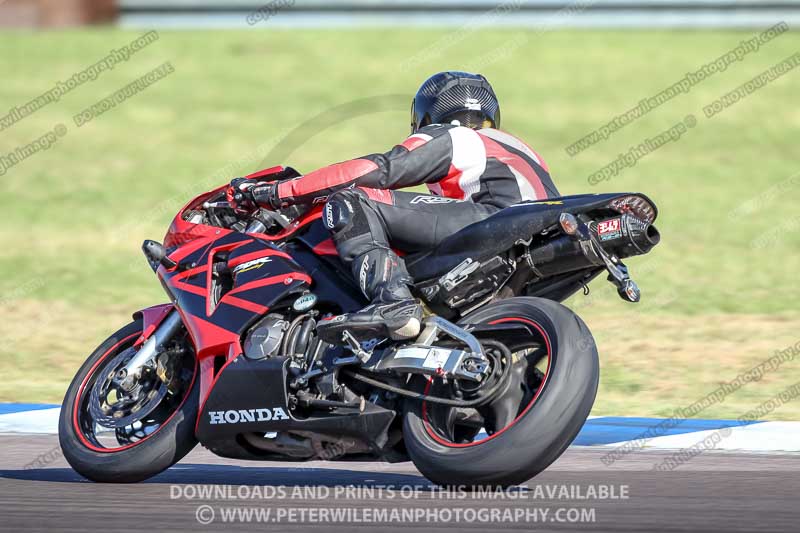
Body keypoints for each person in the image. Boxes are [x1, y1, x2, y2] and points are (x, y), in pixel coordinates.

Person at [228, 71, 559, 344]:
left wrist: (279, 192)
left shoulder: (456, 137)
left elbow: (377, 171)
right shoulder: (518, 148)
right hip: (540, 238)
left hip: (495, 221)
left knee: (352, 198)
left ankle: (394, 303)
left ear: (427, 116)